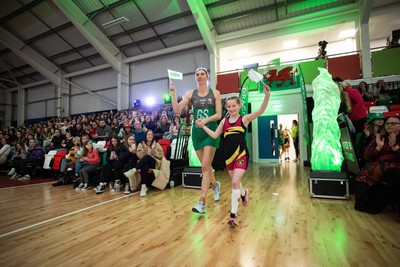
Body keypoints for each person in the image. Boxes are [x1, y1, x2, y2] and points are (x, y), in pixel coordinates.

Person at [200, 84, 270, 225]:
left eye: (234, 106)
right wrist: (203, 126)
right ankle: (244, 193)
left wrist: (267, 96)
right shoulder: (224, 122)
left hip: (241, 155)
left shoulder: (244, 119)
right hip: (228, 157)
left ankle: (233, 215)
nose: (231, 109)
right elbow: (214, 135)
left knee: (234, 182)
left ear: (239, 106)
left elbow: (260, 111)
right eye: (229, 107)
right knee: (236, 183)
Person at [169, 67, 222, 214]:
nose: (199, 76)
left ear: (207, 77)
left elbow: (218, 114)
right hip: (197, 133)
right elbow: (178, 110)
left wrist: (206, 119)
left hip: (211, 132)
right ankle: (214, 185)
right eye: (197, 75)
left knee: (204, 167)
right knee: (207, 166)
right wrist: (173, 95)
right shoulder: (191, 94)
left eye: (202, 74)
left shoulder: (215, 93)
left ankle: (202, 202)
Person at [354, 116, 400, 215]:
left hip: (394, 168)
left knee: (392, 174)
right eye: (388, 123)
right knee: (364, 177)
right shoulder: (380, 138)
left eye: (394, 123)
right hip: (376, 168)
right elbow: (366, 156)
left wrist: (395, 148)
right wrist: (378, 148)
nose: (389, 126)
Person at [123, 130, 166, 197]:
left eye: (151, 134)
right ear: (145, 136)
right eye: (148, 134)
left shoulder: (156, 144)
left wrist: (153, 149)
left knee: (148, 157)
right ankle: (143, 187)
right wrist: (145, 149)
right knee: (144, 165)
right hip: (143, 163)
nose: (150, 136)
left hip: (154, 163)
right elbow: (139, 156)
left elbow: (160, 155)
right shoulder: (141, 144)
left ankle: (134, 169)